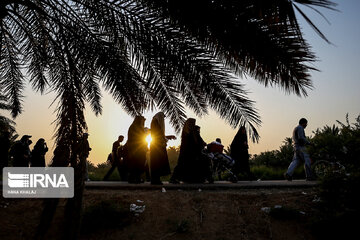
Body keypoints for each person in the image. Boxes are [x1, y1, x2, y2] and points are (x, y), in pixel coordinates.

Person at [170, 119, 212, 183]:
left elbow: (199, 140)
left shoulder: (190, 131)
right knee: (183, 165)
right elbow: (194, 142)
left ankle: (195, 179)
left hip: (191, 152)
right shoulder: (188, 132)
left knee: (185, 165)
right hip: (188, 153)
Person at [149, 112, 176, 185]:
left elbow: (160, 135)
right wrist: (164, 139)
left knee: (158, 162)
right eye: (163, 117)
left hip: (157, 145)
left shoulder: (155, 123)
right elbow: (158, 136)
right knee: (156, 162)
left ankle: (156, 179)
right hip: (157, 146)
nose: (163, 119)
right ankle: (155, 180)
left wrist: (168, 137)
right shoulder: (156, 124)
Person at [126, 116, 148, 183]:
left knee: (138, 164)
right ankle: (133, 178)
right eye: (142, 121)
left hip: (136, 149)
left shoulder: (134, 126)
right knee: (137, 163)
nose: (143, 122)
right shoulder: (136, 127)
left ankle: (137, 178)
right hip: (137, 149)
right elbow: (140, 137)